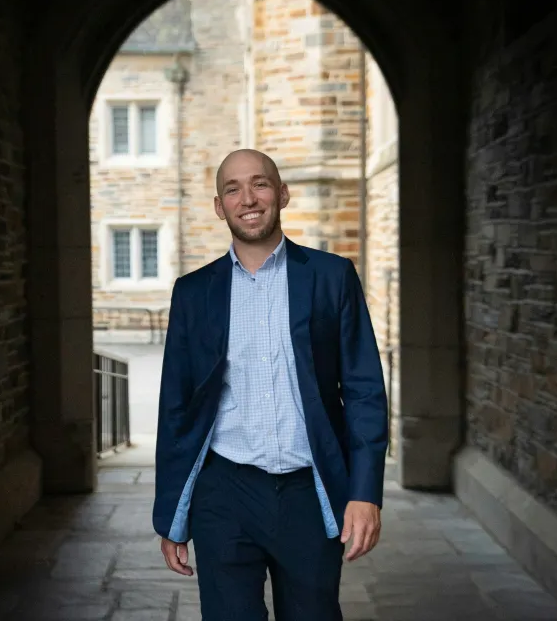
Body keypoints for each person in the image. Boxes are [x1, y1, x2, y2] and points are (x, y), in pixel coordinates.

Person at [153, 148, 388, 620]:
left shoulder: (331, 277)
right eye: (232, 189)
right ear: (219, 206)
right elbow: (175, 408)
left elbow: (364, 391)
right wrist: (172, 515)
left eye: (259, 184)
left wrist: (364, 493)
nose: (248, 198)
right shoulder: (193, 292)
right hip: (224, 493)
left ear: (282, 193)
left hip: (308, 492)